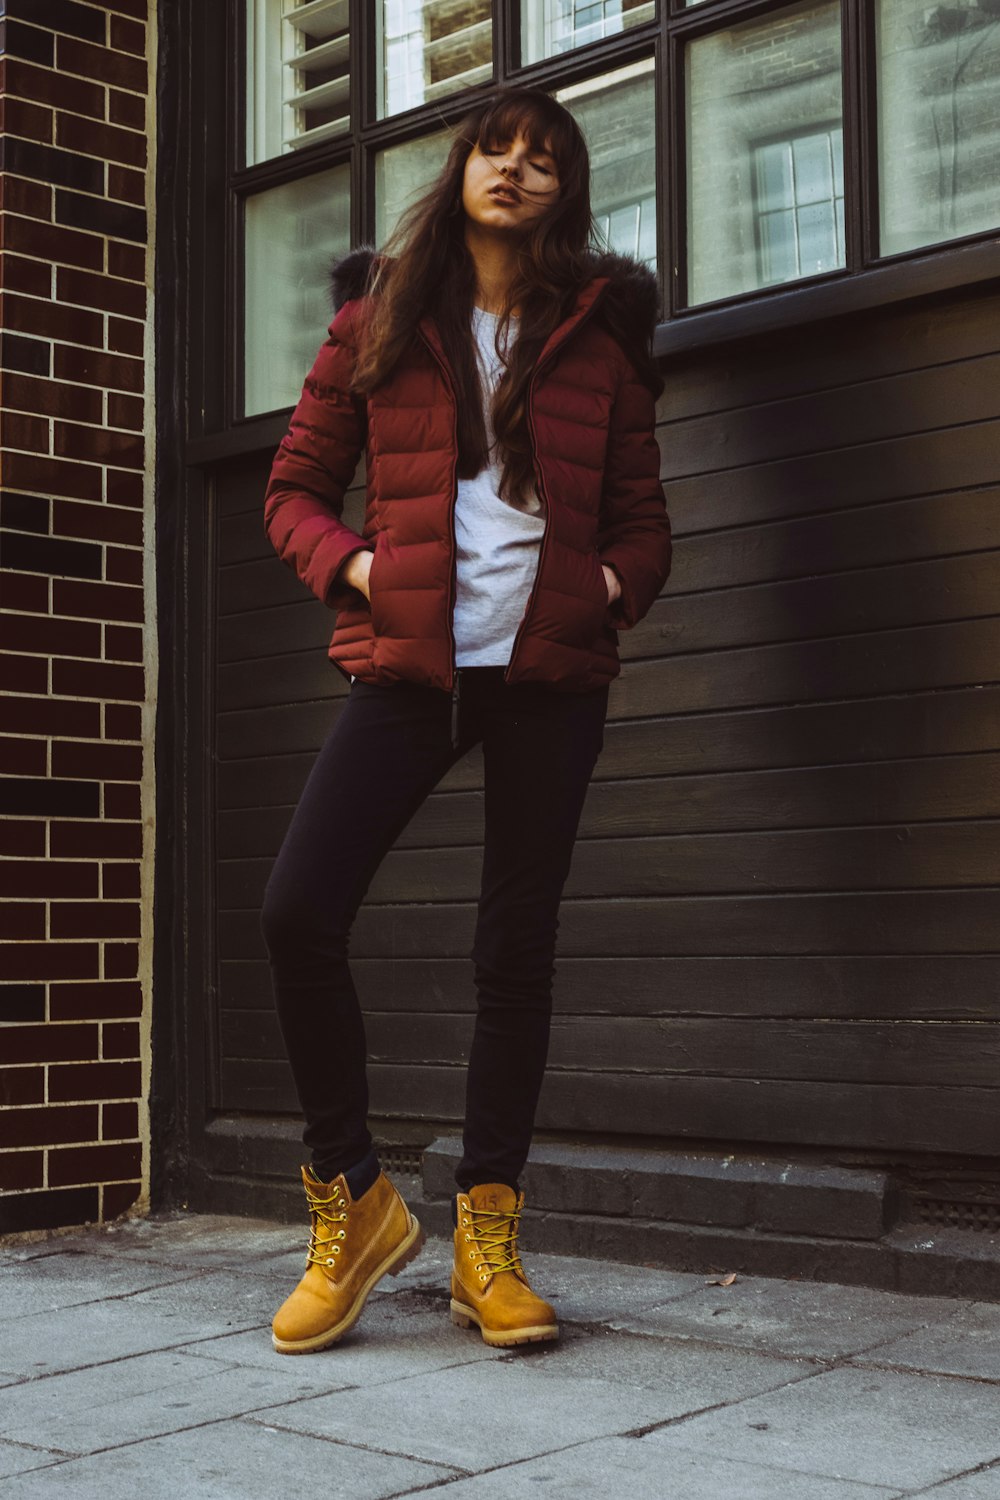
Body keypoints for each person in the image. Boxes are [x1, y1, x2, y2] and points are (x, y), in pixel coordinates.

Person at [260, 84, 671, 1355]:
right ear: (463, 166)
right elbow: (290, 489)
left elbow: (645, 523)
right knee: (297, 910)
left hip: (546, 673)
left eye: (544, 160)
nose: (516, 171)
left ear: (566, 191)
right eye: (497, 147)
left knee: (516, 949)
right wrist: (359, 570)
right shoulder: (378, 319)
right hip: (409, 663)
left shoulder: (599, 342)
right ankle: (356, 1202)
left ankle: (488, 1236)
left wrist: (607, 588)